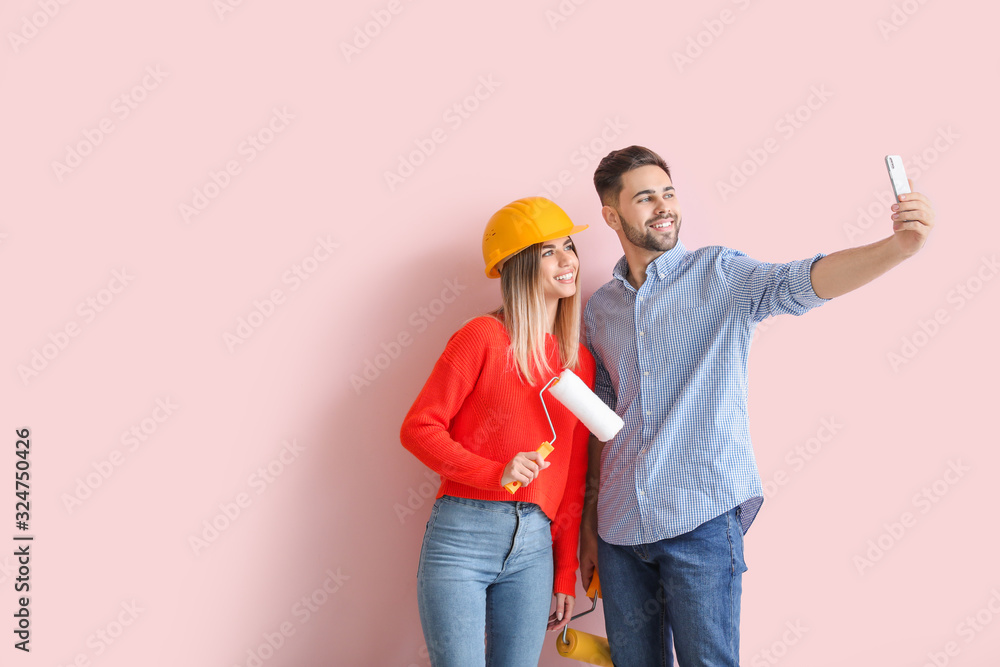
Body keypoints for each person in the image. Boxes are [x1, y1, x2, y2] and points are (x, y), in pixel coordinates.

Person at [578, 146, 936, 666]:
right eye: (645, 197)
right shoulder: (601, 309)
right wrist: (589, 524)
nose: (664, 207)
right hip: (620, 530)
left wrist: (898, 247)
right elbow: (600, 422)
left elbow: (802, 282)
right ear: (611, 215)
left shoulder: (719, 274)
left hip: (699, 520)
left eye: (669, 194)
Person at [400, 196, 597, 666]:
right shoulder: (482, 338)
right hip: (463, 532)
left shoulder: (578, 363)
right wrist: (496, 472)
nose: (567, 260)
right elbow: (418, 428)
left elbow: (572, 476)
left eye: (568, 246)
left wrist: (565, 570)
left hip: (534, 546)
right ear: (519, 267)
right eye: (548, 251)